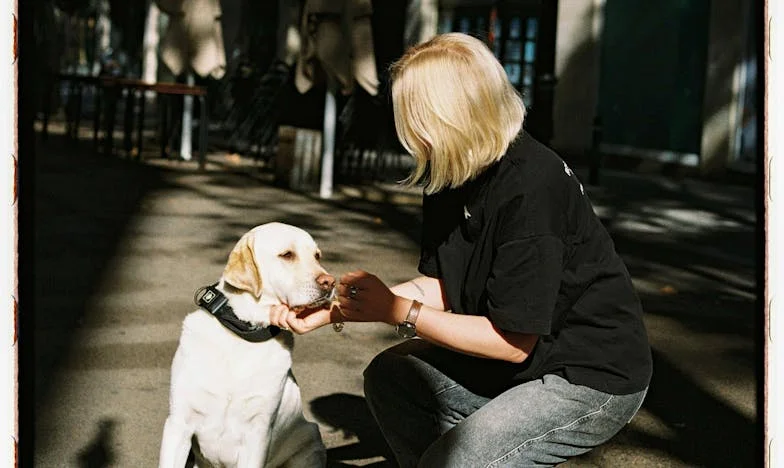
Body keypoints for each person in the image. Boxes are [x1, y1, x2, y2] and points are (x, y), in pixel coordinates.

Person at [269, 32, 652, 467]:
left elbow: (512, 342)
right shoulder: (455, 169)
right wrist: (337, 307)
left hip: (587, 374)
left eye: (414, 118)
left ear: (448, 116)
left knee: (459, 458)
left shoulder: (531, 189)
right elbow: (440, 285)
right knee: (393, 379)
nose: (408, 134)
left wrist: (401, 312)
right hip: (524, 358)